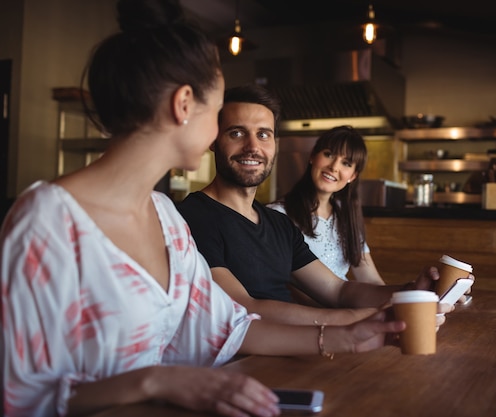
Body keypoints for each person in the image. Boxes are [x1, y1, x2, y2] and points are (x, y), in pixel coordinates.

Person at [0, 2, 407, 416]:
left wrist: (352, 335)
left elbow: (230, 326)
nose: (218, 133)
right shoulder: (47, 221)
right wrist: (154, 380)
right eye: (217, 116)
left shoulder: (166, 217)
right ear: (183, 105)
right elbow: (18, 394)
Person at [177, 84, 456, 327]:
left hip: (295, 354)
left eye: (264, 134)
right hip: (234, 368)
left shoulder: (278, 225)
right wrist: (358, 320)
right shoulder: (192, 217)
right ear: (213, 140)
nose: (253, 146)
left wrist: (413, 292)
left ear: (275, 144)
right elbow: (243, 307)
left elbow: (338, 291)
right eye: (237, 133)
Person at [267, 125, 385, 285]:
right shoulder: (278, 214)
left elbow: (370, 279)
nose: (334, 167)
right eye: (329, 154)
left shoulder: (346, 216)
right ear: (313, 156)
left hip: (343, 305)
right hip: (306, 308)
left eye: (346, 163)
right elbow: (283, 285)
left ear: (353, 176)